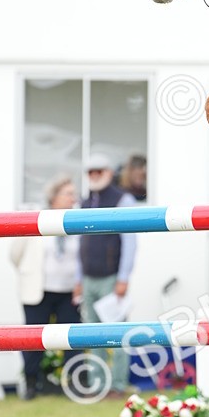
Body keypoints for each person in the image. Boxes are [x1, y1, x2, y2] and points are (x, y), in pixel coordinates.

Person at [9, 176, 83, 399]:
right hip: (38, 291)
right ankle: (31, 383)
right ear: (54, 197)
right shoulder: (36, 219)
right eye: (68, 194)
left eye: (73, 194)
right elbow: (15, 253)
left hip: (69, 292)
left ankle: (74, 384)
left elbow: (84, 256)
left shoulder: (79, 221)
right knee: (33, 340)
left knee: (73, 340)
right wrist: (27, 273)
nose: (73, 198)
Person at [79, 152, 136, 397]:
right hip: (89, 277)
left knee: (116, 334)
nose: (94, 176)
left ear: (109, 173)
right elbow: (79, 243)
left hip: (111, 277)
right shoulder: (84, 202)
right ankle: (97, 385)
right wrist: (78, 280)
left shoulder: (123, 199)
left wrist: (123, 277)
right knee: (92, 336)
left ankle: (119, 385)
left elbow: (130, 242)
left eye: (98, 171)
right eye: (90, 172)